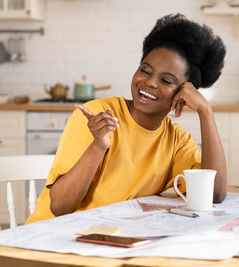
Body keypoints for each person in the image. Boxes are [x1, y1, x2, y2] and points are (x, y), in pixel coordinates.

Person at [26, 13, 227, 224]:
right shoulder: (96, 116)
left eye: (166, 80)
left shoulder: (176, 142)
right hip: (53, 236)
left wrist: (205, 111)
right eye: (145, 70)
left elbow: (214, 195)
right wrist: (97, 146)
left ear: (183, 94)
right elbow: (59, 207)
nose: (150, 82)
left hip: (112, 239)